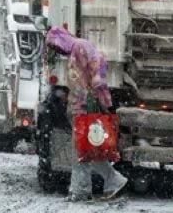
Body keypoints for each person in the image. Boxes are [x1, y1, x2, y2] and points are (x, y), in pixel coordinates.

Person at [45, 26, 128, 202]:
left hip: (84, 108)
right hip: (83, 107)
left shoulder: (79, 48)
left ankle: (81, 190)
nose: (57, 50)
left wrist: (91, 99)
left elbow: (90, 79)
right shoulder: (80, 47)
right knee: (89, 149)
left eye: (55, 45)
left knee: (81, 150)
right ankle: (112, 181)